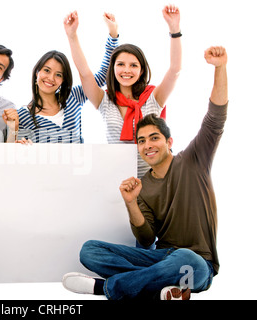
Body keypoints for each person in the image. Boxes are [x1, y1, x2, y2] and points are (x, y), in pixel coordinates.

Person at [62, 46, 228, 300]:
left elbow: (215, 118)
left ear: (169, 142)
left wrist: (220, 67)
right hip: (160, 256)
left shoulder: (194, 161)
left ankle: (106, 288)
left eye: (154, 138)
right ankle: (162, 287)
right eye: (141, 141)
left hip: (197, 265)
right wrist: (131, 203)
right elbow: (147, 237)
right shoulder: (143, 185)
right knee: (89, 251)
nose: (148, 145)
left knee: (185, 258)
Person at [65, 5, 182, 177]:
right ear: (112, 69)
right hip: (120, 181)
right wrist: (72, 36)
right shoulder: (104, 100)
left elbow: (175, 70)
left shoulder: (154, 97)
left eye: (133, 65)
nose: (126, 70)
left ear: (141, 71)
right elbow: (85, 73)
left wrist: (174, 30)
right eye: (120, 64)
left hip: (157, 181)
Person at [17, 11, 119, 143]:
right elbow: (17, 154)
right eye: (47, 70)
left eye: (58, 75)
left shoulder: (73, 98)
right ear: (37, 72)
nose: (51, 78)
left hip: (80, 164)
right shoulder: (23, 115)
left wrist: (113, 34)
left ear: (63, 80)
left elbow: (103, 74)